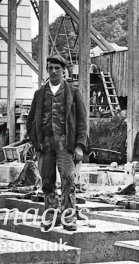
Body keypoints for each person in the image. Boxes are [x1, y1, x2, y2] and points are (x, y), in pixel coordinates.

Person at [25, 55, 88, 231]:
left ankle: (69, 218)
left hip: (65, 143)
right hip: (45, 144)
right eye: (50, 68)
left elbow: (82, 121)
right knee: (47, 182)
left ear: (64, 71)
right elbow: (30, 122)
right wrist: (36, 142)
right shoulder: (39, 94)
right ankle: (51, 216)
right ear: (47, 70)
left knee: (68, 179)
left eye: (57, 68)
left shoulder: (73, 93)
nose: (53, 71)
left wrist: (79, 145)